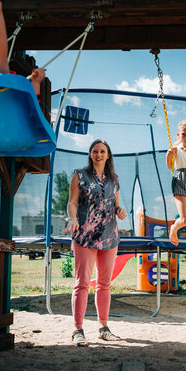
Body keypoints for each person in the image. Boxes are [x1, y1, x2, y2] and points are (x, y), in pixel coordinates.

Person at [64, 139, 128, 346]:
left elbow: (116, 205)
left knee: (104, 284)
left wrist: (121, 211)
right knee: (82, 283)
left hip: (109, 235)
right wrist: (72, 219)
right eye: (95, 151)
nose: (98, 154)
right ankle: (78, 330)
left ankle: (103, 328)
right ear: (91, 154)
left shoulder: (114, 179)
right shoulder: (80, 175)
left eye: (102, 151)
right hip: (84, 234)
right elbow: (72, 202)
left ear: (108, 155)